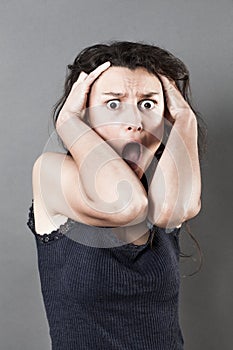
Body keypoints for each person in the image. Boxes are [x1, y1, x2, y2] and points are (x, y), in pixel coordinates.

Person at [27, 41, 205, 349]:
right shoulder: (51, 173)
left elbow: (176, 209)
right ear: (85, 117)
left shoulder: (163, 188)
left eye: (148, 104)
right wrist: (68, 122)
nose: (135, 123)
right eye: (112, 104)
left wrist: (185, 121)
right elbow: (126, 204)